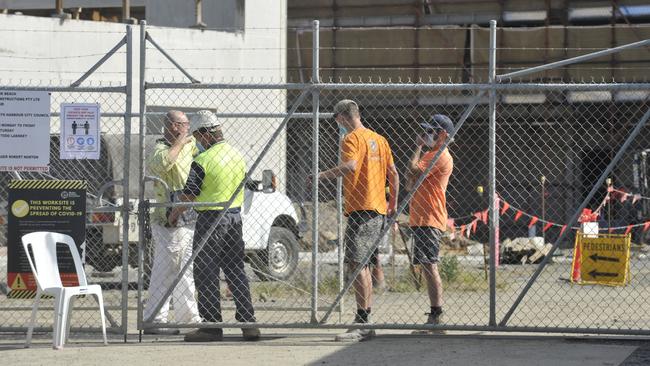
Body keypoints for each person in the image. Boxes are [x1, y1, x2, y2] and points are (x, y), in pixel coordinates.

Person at [311, 99, 399, 342]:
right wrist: (391, 205)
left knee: (357, 264)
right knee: (364, 265)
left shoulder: (350, 139)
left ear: (342, 117)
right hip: (378, 210)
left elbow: (349, 166)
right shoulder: (379, 139)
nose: (337, 125)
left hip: (362, 210)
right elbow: (394, 174)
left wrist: (322, 175)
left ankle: (363, 320)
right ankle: (364, 318)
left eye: (337, 120)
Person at [169, 110, 260, 342]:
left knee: (205, 271)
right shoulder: (237, 155)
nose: (198, 143)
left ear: (205, 134)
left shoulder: (202, 160)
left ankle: (211, 326)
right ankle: (248, 323)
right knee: (235, 270)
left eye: (198, 138)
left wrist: (174, 213)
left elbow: (189, 195)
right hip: (234, 218)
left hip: (210, 219)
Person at [144, 110, 202, 335]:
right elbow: (163, 164)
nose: (188, 128)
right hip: (168, 217)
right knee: (166, 270)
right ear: (173, 126)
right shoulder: (159, 148)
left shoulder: (193, 145)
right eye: (184, 124)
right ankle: (154, 318)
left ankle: (188, 319)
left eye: (188, 124)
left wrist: (187, 141)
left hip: (188, 211)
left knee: (185, 270)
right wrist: (179, 141)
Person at [406, 114, 454, 335]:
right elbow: (409, 182)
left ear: (443, 134)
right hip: (420, 217)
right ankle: (435, 314)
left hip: (430, 217)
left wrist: (416, 148)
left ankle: (436, 314)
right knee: (426, 265)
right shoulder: (431, 154)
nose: (426, 135)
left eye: (430, 131)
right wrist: (415, 165)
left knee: (429, 264)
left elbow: (413, 170)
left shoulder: (440, 156)